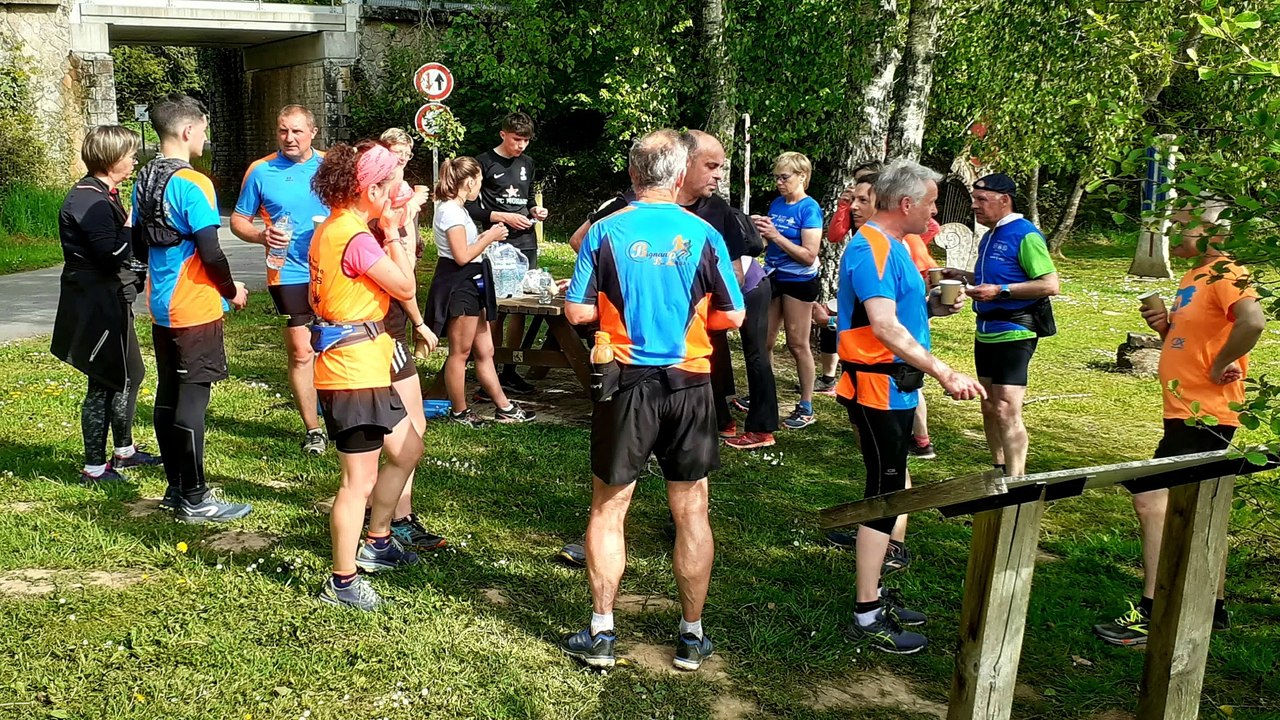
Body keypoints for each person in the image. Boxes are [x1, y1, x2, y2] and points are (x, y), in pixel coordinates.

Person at [558, 130, 744, 671]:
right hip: (689, 382)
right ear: (680, 174)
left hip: (625, 382)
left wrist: (613, 314)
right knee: (691, 508)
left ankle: (602, 632)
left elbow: (575, 312)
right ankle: (691, 635)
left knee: (609, 506)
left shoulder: (605, 231)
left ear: (633, 176)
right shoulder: (703, 232)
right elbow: (733, 315)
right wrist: (690, 318)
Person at [1093, 198, 1264, 647]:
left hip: (1206, 413)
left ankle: (1155, 612)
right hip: (1184, 410)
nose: (1175, 233)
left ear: (1213, 234)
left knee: (1152, 498)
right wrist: (1166, 327)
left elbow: (1253, 321)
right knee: (1201, 507)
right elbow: (1198, 338)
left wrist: (1224, 362)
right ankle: (1213, 608)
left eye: (1184, 226)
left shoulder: (1227, 272)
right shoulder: (1195, 276)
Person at [836, 159, 984, 654]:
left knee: (893, 486)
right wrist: (944, 371)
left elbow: (897, 312)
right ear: (906, 204)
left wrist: (934, 308)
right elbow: (882, 324)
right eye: (932, 202)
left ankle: (875, 592)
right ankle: (866, 612)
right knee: (884, 492)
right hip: (876, 388)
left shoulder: (895, 246)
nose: (935, 212)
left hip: (895, 386)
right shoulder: (870, 248)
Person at [309, 140, 424, 610]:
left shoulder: (337, 227)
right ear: (369, 190)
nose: (391, 194)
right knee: (357, 482)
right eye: (387, 186)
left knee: (408, 447)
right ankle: (342, 580)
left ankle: (377, 540)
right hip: (351, 372)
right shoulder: (353, 237)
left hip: (366, 366)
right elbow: (405, 284)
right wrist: (394, 232)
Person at [131, 94, 251, 523]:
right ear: (187, 132)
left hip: (161, 304)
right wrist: (230, 288)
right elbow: (210, 250)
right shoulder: (194, 182)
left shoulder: (143, 179)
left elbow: (136, 244)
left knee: (168, 394)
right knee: (193, 400)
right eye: (202, 129)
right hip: (194, 304)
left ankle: (175, 486)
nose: (205, 136)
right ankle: (197, 497)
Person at [52, 125, 162, 482]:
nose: (134, 159)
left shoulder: (103, 193)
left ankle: (124, 451)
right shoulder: (89, 200)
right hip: (93, 303)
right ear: (112, 159)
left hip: (111, 298)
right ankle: (94, 468)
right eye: (129, 154)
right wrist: (131, 224)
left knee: (131, 373)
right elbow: (111, 253)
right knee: (103, 380)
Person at [943, 173, 1059, 477]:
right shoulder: (991, 233)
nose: (974, 206)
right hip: (986, 330)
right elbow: (995, 278)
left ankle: (1017, 478)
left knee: (1007, 407)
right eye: (973, 199)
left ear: (1004, 200)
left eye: (981, 200)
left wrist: (1001, 292)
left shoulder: (1025, 234)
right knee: (989, 404)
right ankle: (999, 469)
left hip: (1016, 328)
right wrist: (963, 275)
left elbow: (1049, 284)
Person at [230, 105, 330, 454]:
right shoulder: (261, 170)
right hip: (286, 270)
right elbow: (238, 220)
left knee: (335, 343)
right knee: (302, 350)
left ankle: (341, 415)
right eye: (283, 131)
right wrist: (262, 236)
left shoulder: (330, 166)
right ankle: (313, 429)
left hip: (331, 269)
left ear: (313, 132)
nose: (289, 138)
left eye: (297, 131)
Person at [425, 156, 536, 428]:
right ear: (471, 182)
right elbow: (461, 255)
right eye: (480, 182)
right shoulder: (450, 210)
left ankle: (505, 407)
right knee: (460, 353)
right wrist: (489, 237)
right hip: (459, 282)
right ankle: (460, 412)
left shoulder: (459, 209)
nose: (480, 188)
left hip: (475, 280)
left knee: (485, 349)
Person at [376, 128, 447, 550]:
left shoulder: (377, 207)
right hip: (384, 327)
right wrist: (420, 321)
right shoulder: (381, 213)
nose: (401, 160)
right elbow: (399, 278)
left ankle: (384, 512)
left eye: (405, 153)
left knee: (385, 436)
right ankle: (392, 522)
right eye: (393, 155)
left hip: (388, 325)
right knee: (408, 432)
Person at [466, 112, 549, 397]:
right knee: (496, 307)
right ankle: (490, 367)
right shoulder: (483, 162)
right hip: (495, 243)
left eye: (526, 140)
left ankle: (511, 369)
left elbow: (526, 201)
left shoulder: (528, 164)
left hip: (525, 242)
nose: (521, 146)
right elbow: (471, 207)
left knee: (522, 306)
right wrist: (501, 217)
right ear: (503, 134)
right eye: (517, 140)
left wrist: (533, 212)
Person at [755, 151, 823, 430]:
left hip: (799, 279)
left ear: (802, 176)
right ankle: (764, 394)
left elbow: (809, 254)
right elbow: (769, 243)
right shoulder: (777, 204)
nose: (779, 183)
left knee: (796, 343)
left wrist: (775, 236)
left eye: (784, 177)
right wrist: (757, 231)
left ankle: (806, 405)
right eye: (776, 178)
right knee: (764, 341)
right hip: (773, 275)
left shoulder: (809, 209)